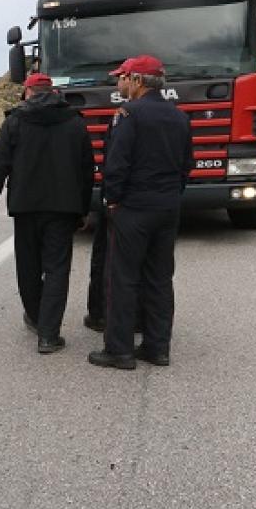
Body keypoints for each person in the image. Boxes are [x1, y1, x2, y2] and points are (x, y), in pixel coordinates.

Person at [0, 73, 94, 353]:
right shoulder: (75, 123)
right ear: (53, 92)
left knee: (28, 266)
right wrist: (84, 209)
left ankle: (38, 318)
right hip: (63, 209)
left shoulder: (14, 122)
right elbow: (87, 170)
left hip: (25, 208)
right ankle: (49, 335)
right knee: (57, 269)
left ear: (27, 92)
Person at [88, 55, 192, 370]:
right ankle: (157, 348)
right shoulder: (179, 117)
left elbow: (116, 165)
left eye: (121, 78)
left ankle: (119, 350)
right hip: (167, 208)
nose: (118, 84)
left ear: (137, 81)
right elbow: (187, 165)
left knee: (122, 278)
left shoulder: (127, 115)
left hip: (133, 208)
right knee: (160, 278)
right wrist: (171, 195)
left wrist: (112, 201)